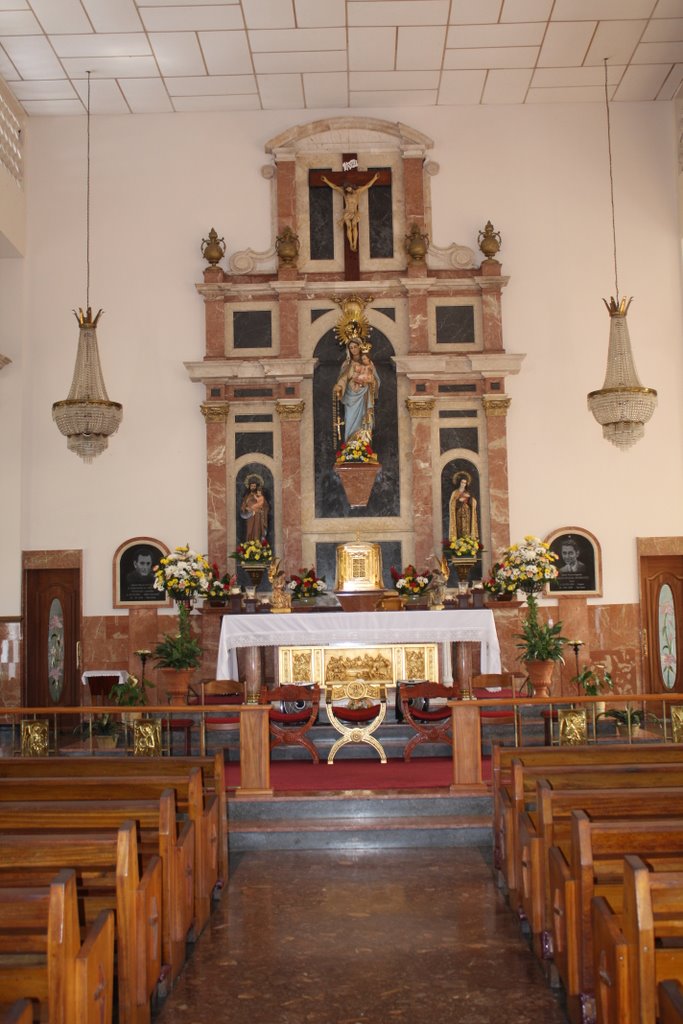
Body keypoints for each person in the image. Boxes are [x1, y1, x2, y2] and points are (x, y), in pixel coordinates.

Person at [334, 339, 380, 444]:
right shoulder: (347, 364)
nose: (354, 350)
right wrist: (339, 387)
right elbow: (343, 379)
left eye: (355, 347)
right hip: (350, 396)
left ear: (359, 347)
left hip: (364, 395)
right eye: (351, 348)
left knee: (364, 419)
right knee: (349, 418)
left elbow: (376, 380)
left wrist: (370, 381)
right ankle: (350, 445)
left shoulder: (368, 362)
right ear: (348, 350)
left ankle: (363, 445)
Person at [321, 172, 379, 252]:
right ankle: (351, 242)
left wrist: (374, 178)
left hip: (355, 212)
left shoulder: (358, 192)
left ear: (351, 187)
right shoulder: (345, 194)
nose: (348, 190)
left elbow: (368, 185)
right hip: (347, 213)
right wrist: (326, 181)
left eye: (349, 188)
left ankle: (354, 243)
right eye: (346, 189)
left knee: (354, 225)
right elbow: (335, 187)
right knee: (348, 227)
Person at [448, 471, 479, 541]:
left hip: (467, 514)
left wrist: (470, 499)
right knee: (459, 529)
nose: (463, 484)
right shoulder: (455, 492)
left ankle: (467, 543)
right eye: (462, 482)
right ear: (459, 483)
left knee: (467, 530)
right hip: (458, 514)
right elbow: (451, 504)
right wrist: (459, 501)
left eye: (465, 483)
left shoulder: (468, 492)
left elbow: (474, 503)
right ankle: (459, 543)